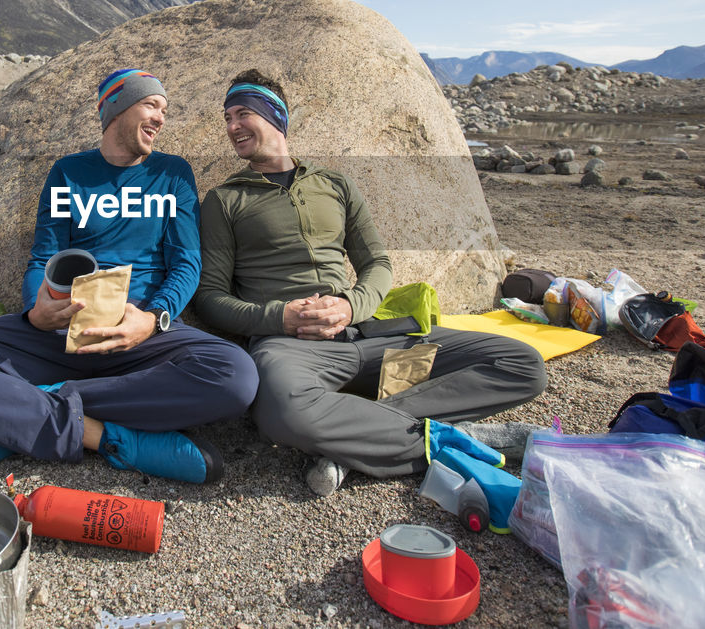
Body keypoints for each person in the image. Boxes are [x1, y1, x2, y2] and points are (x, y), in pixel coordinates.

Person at [0, 69, 258, 484]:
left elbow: (186, 263)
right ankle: (110, 438)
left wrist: (153, 319)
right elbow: (43, 258)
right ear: (117, 108)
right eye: (151, 105)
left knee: (235, 376)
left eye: (164, 110)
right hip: (56, 337)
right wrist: (36, 312)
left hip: (142, 338)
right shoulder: (68, 173)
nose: (161, 119)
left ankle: (21, 414)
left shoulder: (171, 174)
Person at [194, 69, 547, 495]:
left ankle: (356, 439)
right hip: (292, 351)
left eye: (242, 113)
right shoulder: (224, 200)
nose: (232, 127)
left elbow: (377, 262)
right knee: (281, 414)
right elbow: (211, 297)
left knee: (522, 364)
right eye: (227, 117)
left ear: (276, 116)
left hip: (375, 341)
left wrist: (350, 305)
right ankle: (460, 439)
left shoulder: (335, 185)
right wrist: (280, 318)